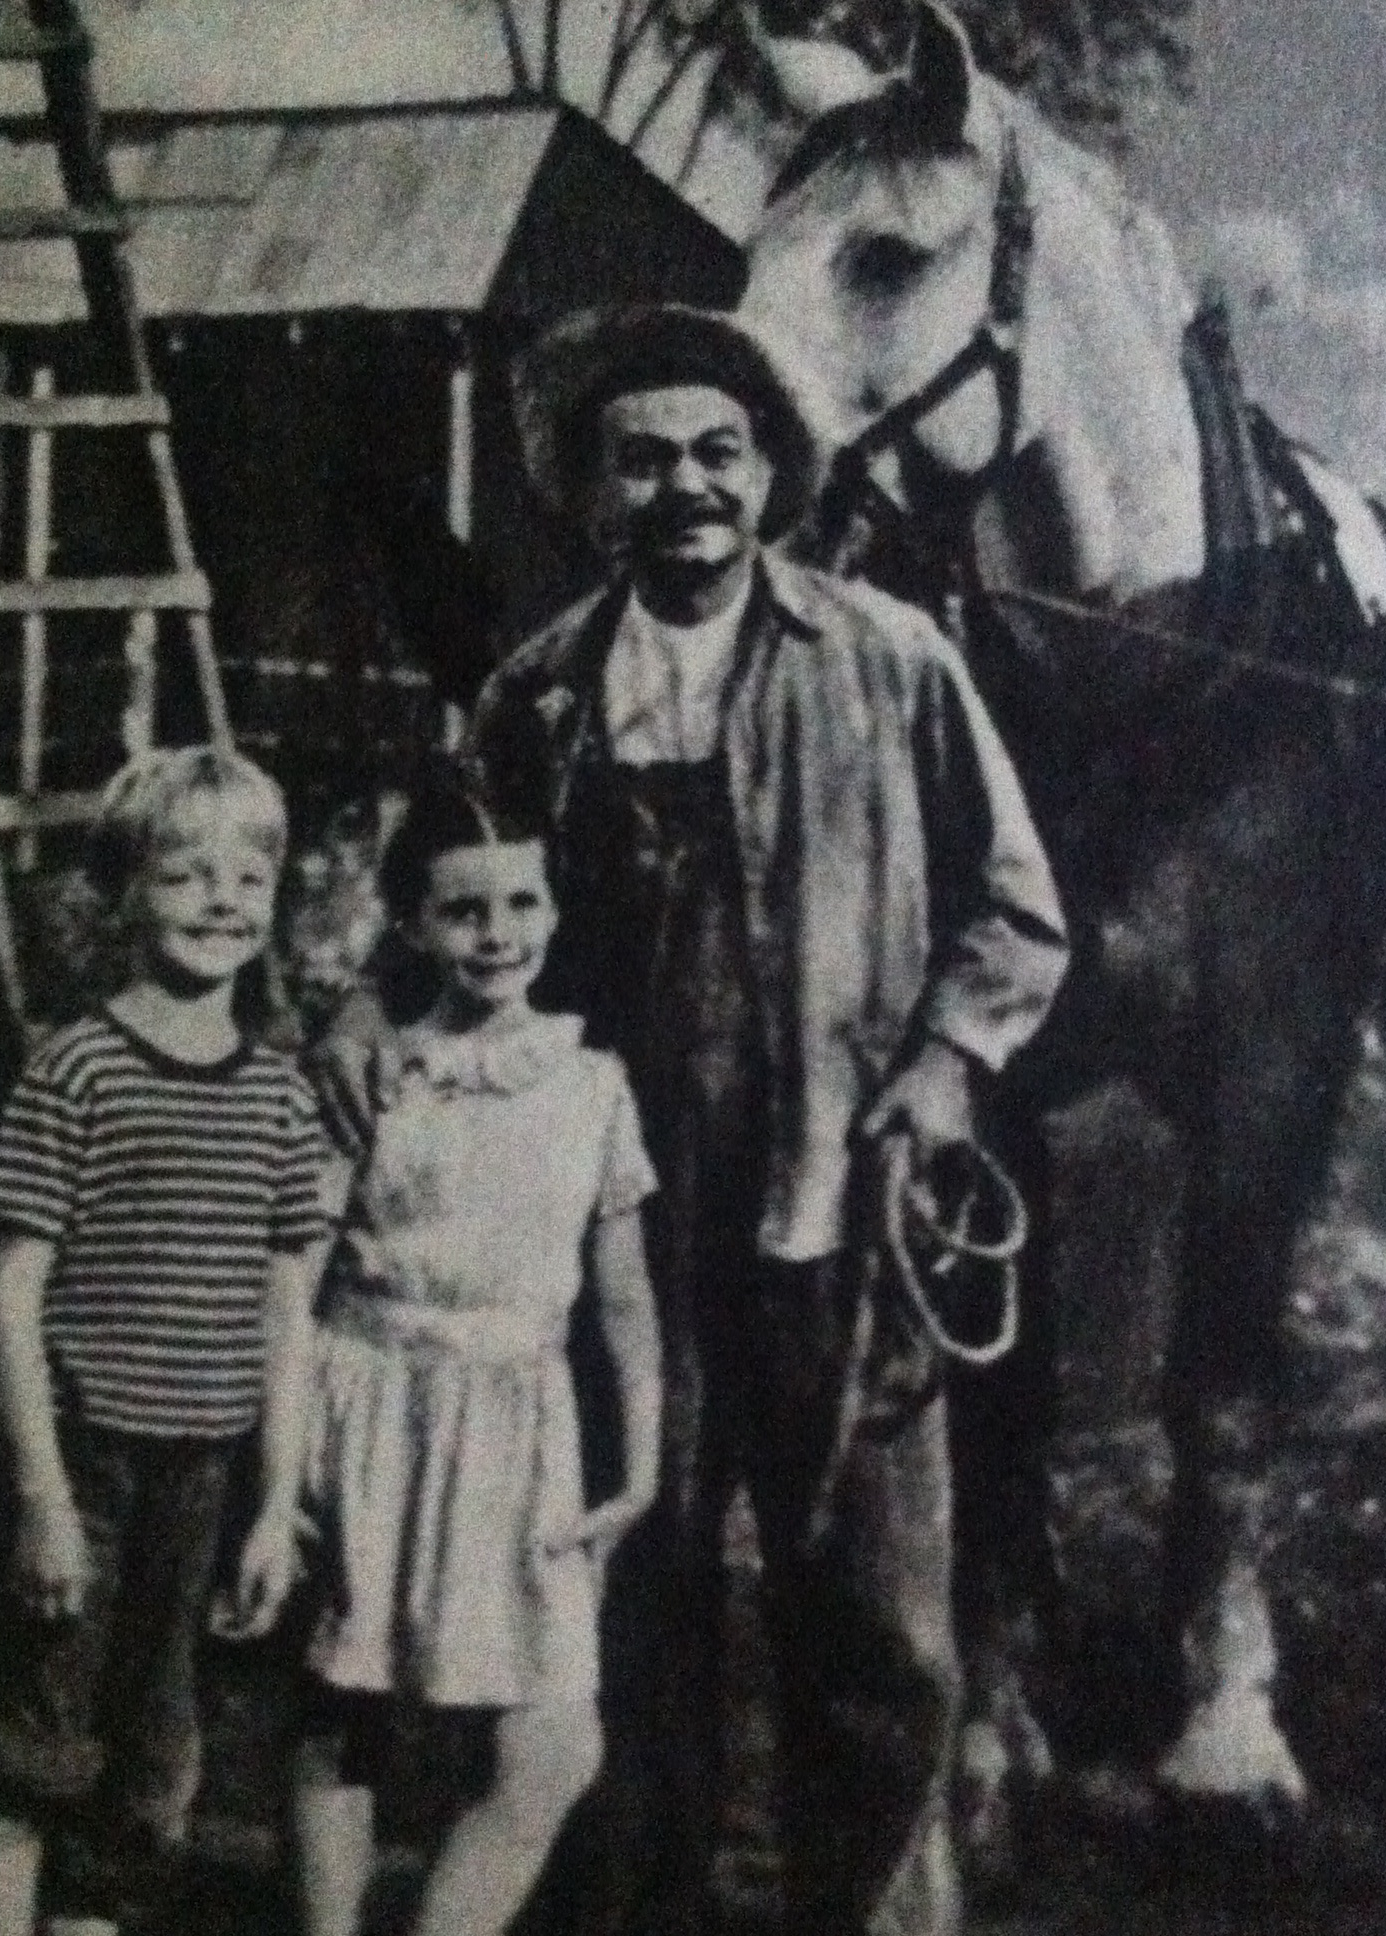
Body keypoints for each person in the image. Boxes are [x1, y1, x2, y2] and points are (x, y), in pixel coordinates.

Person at [327, 304, 1068, 1936]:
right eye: (643, 458)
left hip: (837, 1199)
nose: (685, 488)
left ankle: (863, 1906)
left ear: (769, 474)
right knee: (621, 1598)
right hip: (610, 1232)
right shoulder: (536, 698)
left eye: (716, 452)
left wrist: (939, 1075)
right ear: (593, 493)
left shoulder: (888, 661)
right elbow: (451, 926)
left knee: (881, 1627)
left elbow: (1014, 916)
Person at [0, 746, 333, 1936]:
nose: (223, 899)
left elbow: (287, 1315)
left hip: (205, 1476)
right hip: (83, 1459)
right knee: (31, 1756)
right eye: (184, 874)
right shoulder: (75, 1070)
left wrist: (276, 1506)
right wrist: (43, 1496)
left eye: (249, 875)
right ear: (122, 894)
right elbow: (14, 1294)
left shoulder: (280, 1097)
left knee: (151, 1770)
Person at [292, 766, 664, 1936]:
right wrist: (281, 1461)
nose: (495, 934)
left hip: (522, 1425)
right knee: (336, 1708)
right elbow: (293, 1277)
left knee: (553, 1743)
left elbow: (624, 1302)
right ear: (409, 926)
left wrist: (639, 1468)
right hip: (364, 1400)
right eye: (461, 910)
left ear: (555, 914)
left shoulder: (594, 1086)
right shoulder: (376, 1076)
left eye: (519, 905)